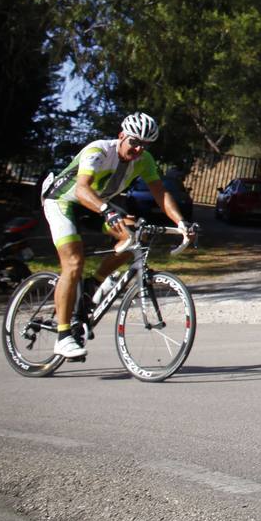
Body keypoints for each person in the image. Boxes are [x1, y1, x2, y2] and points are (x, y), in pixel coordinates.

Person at [40, 113, 194, 359]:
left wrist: (182, 222)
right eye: (134, 141)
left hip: (97, 205)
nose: (138, 148)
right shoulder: (99, 150)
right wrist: (106, 211)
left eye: (145, 145)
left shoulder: (144, 160)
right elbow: (82, 189)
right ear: (121, 136)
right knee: (73, 263)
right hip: (63, 202)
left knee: (135, 235)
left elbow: (160, 194)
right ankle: (62, 336)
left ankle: (94, 283)